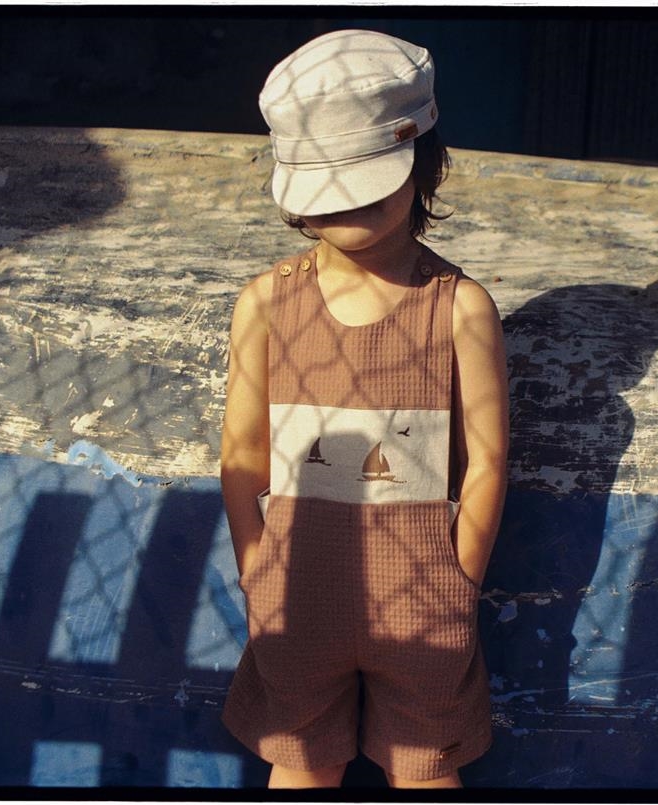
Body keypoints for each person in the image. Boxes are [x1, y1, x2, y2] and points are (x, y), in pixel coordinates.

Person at [218, 29, 509, 789]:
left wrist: (459, 580)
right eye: (330, 186)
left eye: (368, 180)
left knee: (425, 771)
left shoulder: (459, 309)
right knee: (301, 767)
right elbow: (242, 454)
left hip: (425, 605)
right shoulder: (266, 304)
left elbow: (486, 460)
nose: (349, 202)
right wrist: (256, 571)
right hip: (294, 597)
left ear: (424, 162)